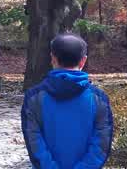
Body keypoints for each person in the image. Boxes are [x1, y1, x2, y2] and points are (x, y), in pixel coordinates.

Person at [22, 33, 114, 169]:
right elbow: (101, 146)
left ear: (53, 59)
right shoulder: (99, 99)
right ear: (83, 61)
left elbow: (34, 143)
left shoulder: (33, 98)